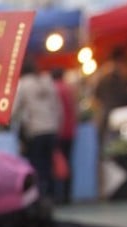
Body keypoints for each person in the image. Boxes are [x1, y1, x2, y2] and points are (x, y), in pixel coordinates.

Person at [12, 61, 61, 200]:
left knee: (36, 165)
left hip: (35, 130)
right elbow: (57, 107)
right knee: (50, 163)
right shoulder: (47, 82)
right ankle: (53, 195)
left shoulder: (23, 84)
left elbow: (15, 109)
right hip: (51, 128)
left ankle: (39, 196)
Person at [52, 68, 77, 205]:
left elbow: (56, 112)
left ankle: (58, 195)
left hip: (59, 130)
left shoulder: (54, 89)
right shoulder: (69, 89)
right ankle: (68, 195)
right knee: (68, 161)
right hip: (71, 130)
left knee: (57, 164)